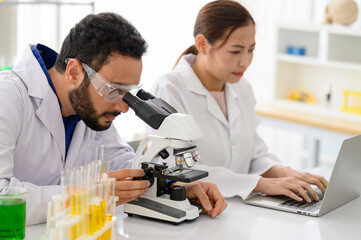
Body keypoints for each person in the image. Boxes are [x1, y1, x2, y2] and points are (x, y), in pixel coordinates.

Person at [0, 12, 227, 226]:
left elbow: (122, 164)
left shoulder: (90, 109)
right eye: (114, 90)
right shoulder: (8, 97)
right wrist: (85, 195)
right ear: (74, 72)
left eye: (127, 92)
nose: (123, 107)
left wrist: (172, 186)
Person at [148, 0, 328, 203]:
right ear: (202, 44)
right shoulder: (169, 89)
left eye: (251, 50)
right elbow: (176, 168)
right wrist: (261, 184)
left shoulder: (242, 88)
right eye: (235, 51)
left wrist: (286, 173)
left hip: (239, 209)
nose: (245, 61)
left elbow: (254, 155)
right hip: (195, 210)